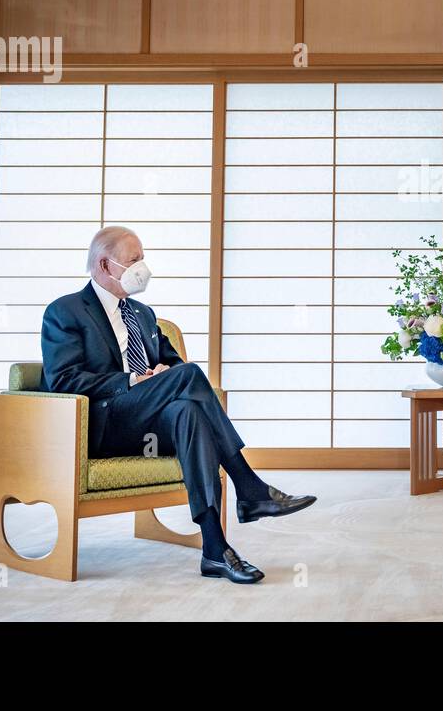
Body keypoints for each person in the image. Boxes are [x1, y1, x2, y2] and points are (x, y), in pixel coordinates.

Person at [40, 225, 315, 585]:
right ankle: (249, 487)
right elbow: (63, 380)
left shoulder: (143, 313)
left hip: (152, 427)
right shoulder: (66, 311)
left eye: (143, 258)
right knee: (190, 379)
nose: (143, 267)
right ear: (106, 266)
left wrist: (162, 371)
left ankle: (215, 550)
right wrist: (131, 380)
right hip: (105, 422)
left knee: (189, 411)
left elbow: (177, 371)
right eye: (134, 260)